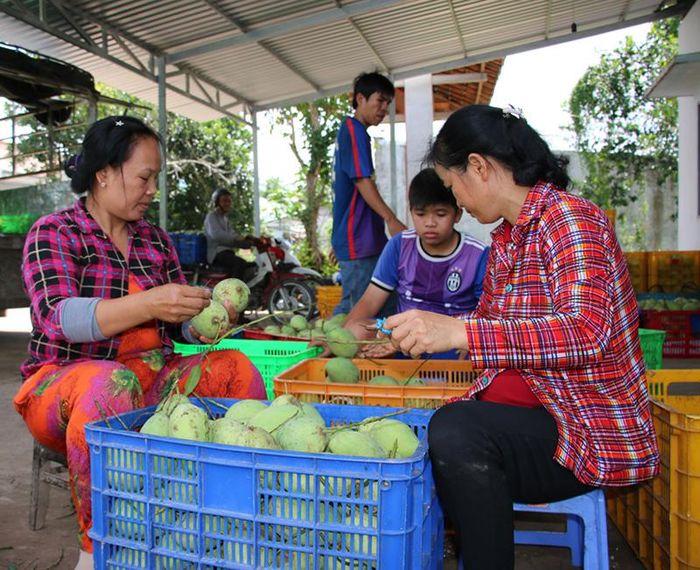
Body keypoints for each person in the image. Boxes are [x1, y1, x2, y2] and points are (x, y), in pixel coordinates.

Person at [381, 105, 660, 568]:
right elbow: (493, 331)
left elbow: (585, 332)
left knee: (457, 431)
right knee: (432, 425)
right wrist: (420, 333)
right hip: (539, 413)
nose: (461, 205)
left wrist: (461, 331)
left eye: (453, 189)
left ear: (479, 167)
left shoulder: (571, 222)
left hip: (584, 426)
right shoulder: (509, 240)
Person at [13, 116, 266, 568]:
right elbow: (59, 317)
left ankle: (229, 515)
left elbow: (174, 328)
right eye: (144, 177)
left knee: (236, 368)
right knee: (108, 385)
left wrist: (202, 322)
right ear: (103, 173)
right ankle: (96, 550)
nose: (152, 190)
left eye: (156, 179)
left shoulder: (155, 241)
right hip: (64, 389)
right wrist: (150, 303)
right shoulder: (54, 232)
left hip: (154, 383)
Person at [345, 168, 489, 359]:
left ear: (457, 214)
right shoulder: (399, 245)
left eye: (440, 214)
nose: (430, 222)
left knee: (478, 347)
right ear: (411, 212)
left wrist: (469, 338)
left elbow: (489, 313)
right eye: (421, 214)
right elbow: (370, 301)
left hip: (450, 346)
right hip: (400, 341)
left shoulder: (478, 255)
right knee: (356, 330)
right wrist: (339, 335)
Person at [332, 72, 407, 315]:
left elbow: (348, 193)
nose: (384, 108)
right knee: (356, 312)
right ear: (360, 99)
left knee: (385, 303)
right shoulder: (353, 131)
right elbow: (362, 181)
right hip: (358, 241)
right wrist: (391, 219)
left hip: (364, 240)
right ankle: (320, 350)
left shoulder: (356, 133)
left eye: (388, 103)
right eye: (380, 101)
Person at [204, 187, 257, 280]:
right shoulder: (211, 216)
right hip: (217, 253)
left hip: (227, 253)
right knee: (239, 263)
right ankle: (234, 292)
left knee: (253, 265)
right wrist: (237, 238)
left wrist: (248, 242)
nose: (227, 203)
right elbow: (217, 235)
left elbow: (232, 236)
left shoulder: (225, 219)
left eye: (229, 201)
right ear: (217, 202)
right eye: (224, 201)